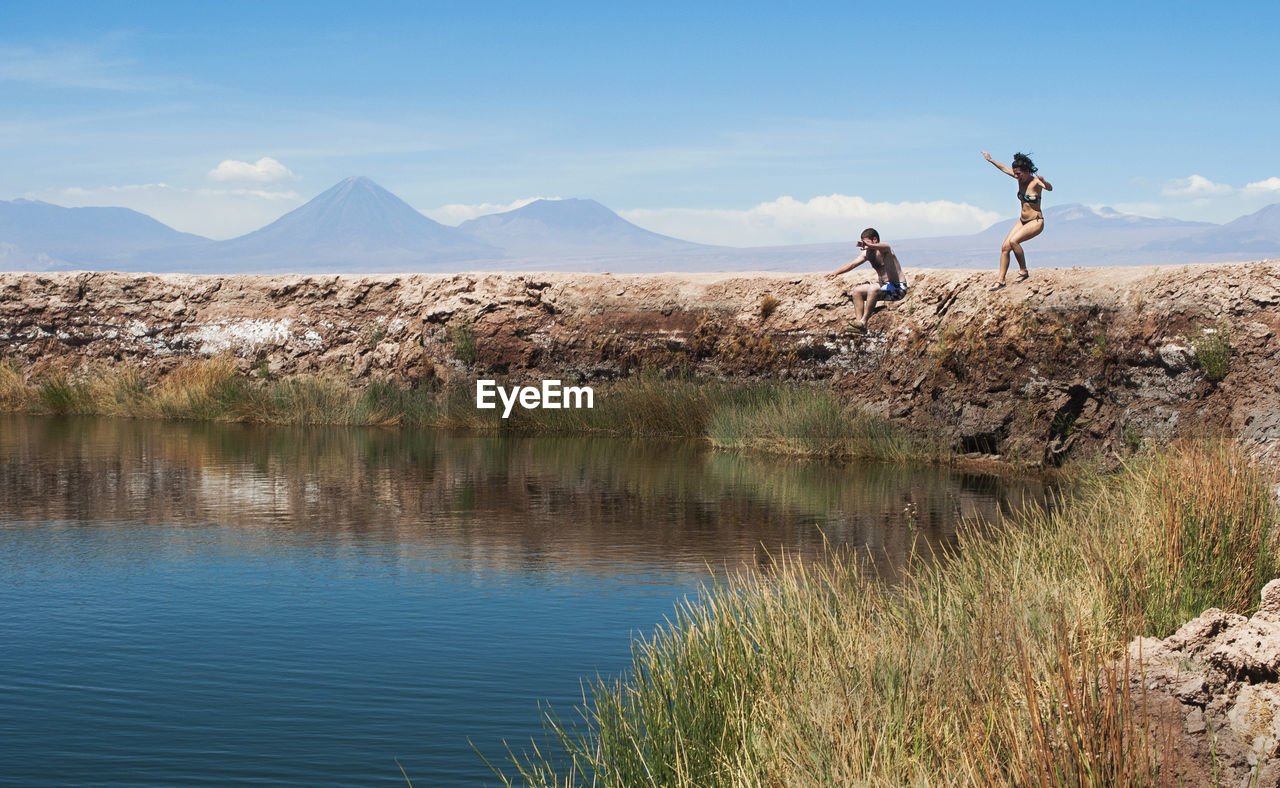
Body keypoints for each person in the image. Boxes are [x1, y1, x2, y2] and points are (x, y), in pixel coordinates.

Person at [982, 151, 1053, 290]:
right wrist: (990, 160)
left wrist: (1044, 181)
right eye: (1015, 173)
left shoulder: (1036, 182)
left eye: (1019, 174)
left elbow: (1050, 188)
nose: (1016, 176)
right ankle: (1001, 281)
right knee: (1005, 247)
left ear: (1027, 171)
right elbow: (1004, 168)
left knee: (1014, 241)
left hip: (1036, 221)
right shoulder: (1019, 179)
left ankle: (1023, 271)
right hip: (1022, 221)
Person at [825, 228, 908, 334]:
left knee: (873, 288)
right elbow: (852, 264)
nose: (865, 246)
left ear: (875, 240)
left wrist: (870, 245)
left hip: (897, 288)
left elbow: (886, 246)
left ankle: (864, 321)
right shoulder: (868, 253)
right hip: (883, 286)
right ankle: (860, 324)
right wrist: (836, 272)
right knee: (857, 291)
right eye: (863, 243)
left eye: (866, 242)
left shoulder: (886, 250)